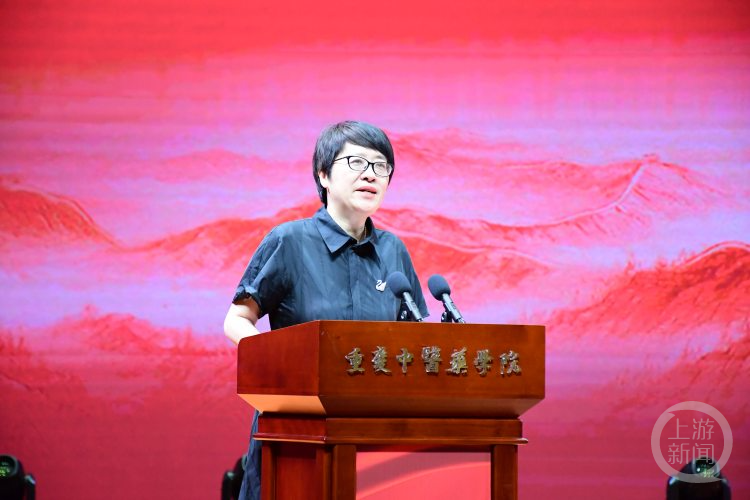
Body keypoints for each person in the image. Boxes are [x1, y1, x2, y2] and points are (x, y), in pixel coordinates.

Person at [223, 120, 429, 500]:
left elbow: (413, 337)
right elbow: (237, 319)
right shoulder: (289, 241)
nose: (370, 174)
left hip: (374, 437)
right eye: (356, 162)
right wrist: (281, 365)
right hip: (295, 432)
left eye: (381, 166)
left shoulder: (393, 251)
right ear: (323, 175)